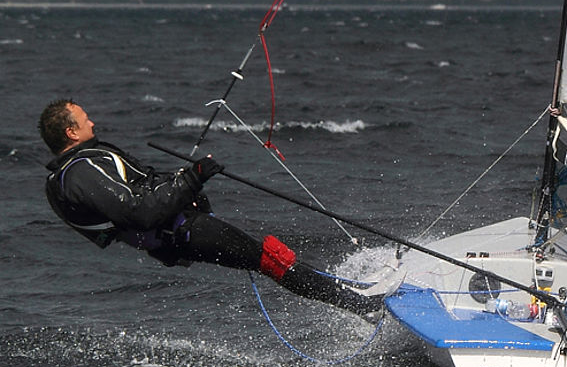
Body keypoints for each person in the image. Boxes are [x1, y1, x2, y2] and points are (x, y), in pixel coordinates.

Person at [39, 99, 382, 315]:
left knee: (265, 257)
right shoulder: (80, 172)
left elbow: (138, 194)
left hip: (177, 232)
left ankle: (353, 298)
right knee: (270, 258)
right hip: (180, 234)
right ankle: (361, 305)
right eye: (85, 120)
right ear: (71, 132)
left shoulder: (78, 168)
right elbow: (137, 212)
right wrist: (192, 178)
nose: (93, 123)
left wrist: (183, 182)